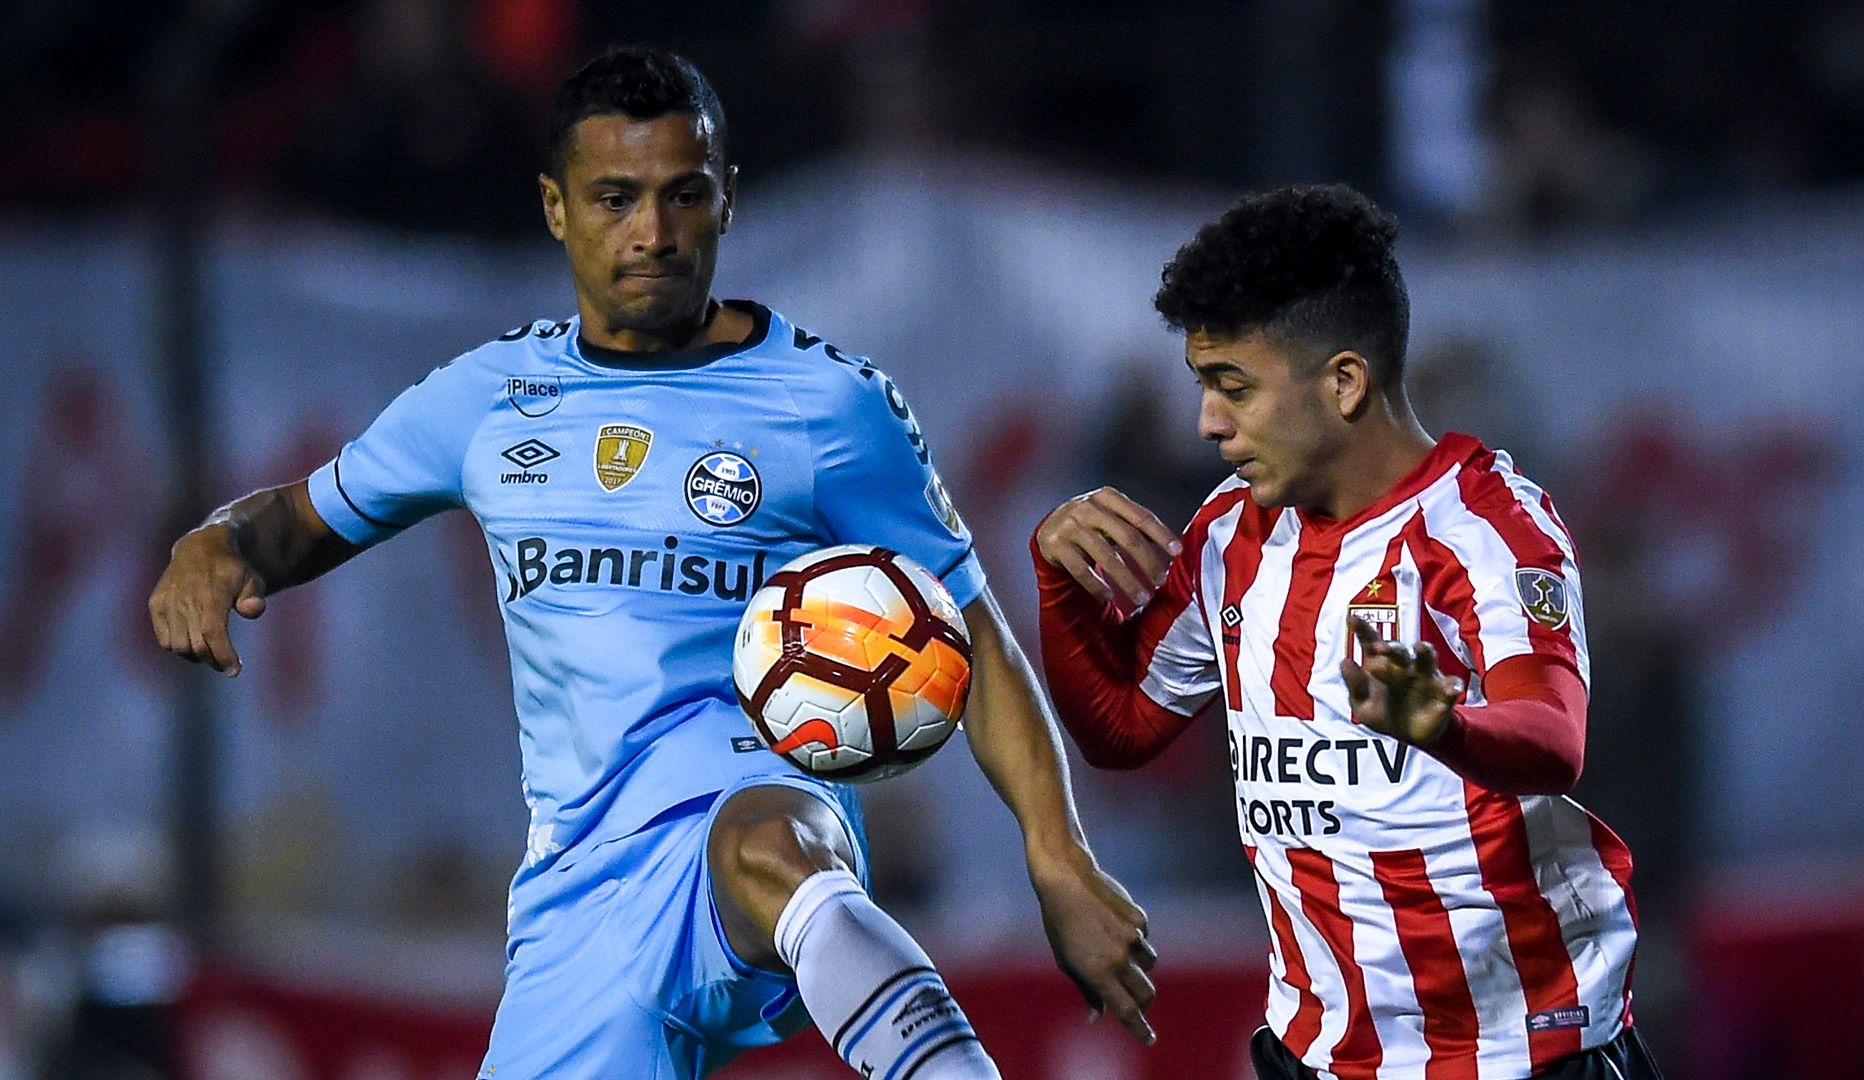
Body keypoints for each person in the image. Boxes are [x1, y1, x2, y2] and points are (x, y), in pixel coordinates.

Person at [148, 46, 1156, 1080]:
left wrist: (1057, 857)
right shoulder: (488, 399)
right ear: (556, 207)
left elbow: (971, 631)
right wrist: (215, 544)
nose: (653, 233)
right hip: (582, 896)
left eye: (683, 196)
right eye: (616, 198)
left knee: (772, 851)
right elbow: (306, 517)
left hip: (758, 805)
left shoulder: (830, 406)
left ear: (727, 200)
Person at [1032, 184, 1663, 1080]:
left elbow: (1555, 739)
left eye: (1233, 388)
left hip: (1521, 1051)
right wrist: (1061, 588)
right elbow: (1124, 729)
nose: (1209, 422)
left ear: (1343, 382)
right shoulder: (1229, 536)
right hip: (1318, 1051)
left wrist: (1439, 723)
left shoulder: (1482, 529)